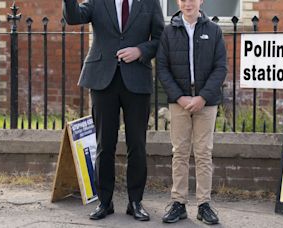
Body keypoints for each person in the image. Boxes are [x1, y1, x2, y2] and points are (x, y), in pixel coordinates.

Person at [62, 0, 164, 221]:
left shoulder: (149, 3)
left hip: (137, 80)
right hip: (102, 80)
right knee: (104, 144)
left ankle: (135, 202)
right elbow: (73, 17)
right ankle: (104, 202)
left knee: (137, 144)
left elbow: (160, 38)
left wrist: (140, 50)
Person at [156, 0, 227, 225]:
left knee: (204, 152)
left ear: (200, 1)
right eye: (184, 0)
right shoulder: (168, 32)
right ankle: (178, 202)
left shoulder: (214, 30)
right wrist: (180, 97)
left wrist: (202, 97)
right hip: (179, 102)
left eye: (192, 0)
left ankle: (204, 204)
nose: (188, 4)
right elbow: (162, 68)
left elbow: (221, 67)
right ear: (178, 2)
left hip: (206, 102)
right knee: (180, 152)